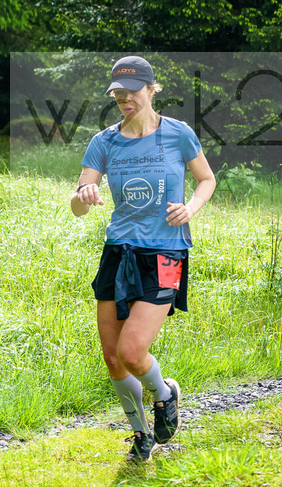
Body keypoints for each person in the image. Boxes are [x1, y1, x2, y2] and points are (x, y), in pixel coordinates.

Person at [72, 56, 216, 462]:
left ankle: (164, 393)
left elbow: (206, 178)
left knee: (133, 352)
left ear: (152, 90)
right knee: (113, 357)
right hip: (118, 252)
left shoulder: (178, 134)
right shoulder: (104, 141)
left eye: (131, 92)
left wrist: (192, 207)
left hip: (166, 251)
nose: (123, 100)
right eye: (117, 94)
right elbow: (79, 202)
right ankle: (140, 434)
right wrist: (82, 197)